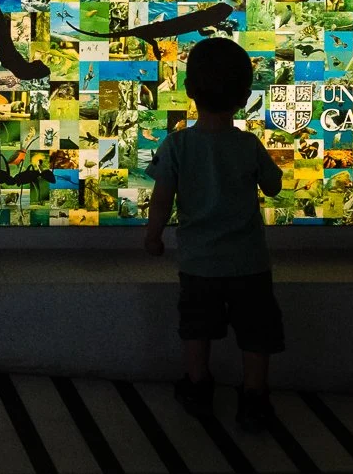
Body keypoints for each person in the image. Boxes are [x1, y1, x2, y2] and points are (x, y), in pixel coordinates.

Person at [142, 35, 285, 432]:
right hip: (249, 264)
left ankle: (197, 387)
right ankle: (254, 398)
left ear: (189, 90)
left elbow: (161, 199)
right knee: (256, 333)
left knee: (196, 328)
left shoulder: (176, 145)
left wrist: (153, 237)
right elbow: (274, 187)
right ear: (244, 97)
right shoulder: (248, 145)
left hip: (198, 264)